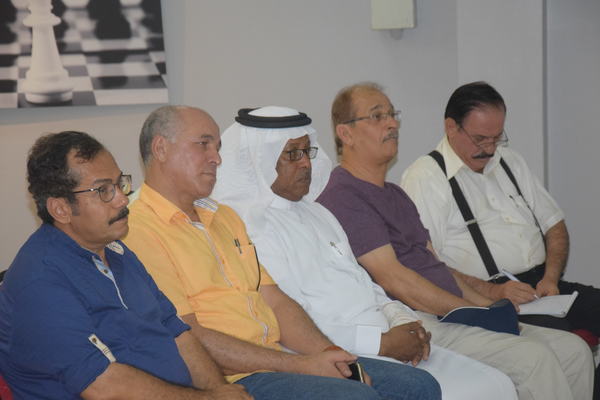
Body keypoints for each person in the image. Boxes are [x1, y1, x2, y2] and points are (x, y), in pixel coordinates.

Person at [123, 105, 441, 400]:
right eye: (203, 145)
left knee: (417, 386)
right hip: (229, 377)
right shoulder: (138, 228)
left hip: (276, 359)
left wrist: (328, 354)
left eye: (217, 147)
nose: (216, 158)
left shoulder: (223, 217)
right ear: (161, 148)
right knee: (356, 396)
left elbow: (274, 300)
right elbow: (186, 335)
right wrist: (300, 365)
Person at [211, 105, 518, 400]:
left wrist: (403, 321)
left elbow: (364, 282)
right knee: (435, 388)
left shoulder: (319, 214)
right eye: (293, 153)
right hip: (331, 351)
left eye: (307, 151)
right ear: (259, 160)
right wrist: (382, 343)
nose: (305, 163)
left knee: (492, 383)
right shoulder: (248, 227)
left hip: (387, 338)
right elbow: (293, 321)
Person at [316, 83, 595, 400]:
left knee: (574, 352)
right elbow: (394, 279)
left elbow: (436, 266)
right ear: (346, 134)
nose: (392, 123)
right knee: (535, 359)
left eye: (392, 114)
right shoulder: (345, 195)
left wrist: (488, 307)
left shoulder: (395, 195)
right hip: (417, 319)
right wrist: (468, 311)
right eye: (377, 116)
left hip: (450, 310)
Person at [0, 131, 251, 399]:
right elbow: (102, 385)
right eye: (103, 191)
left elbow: (178, 334)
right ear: (61, 209)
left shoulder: (116, 250)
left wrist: (219, 390)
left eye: (120, 184)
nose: (122, 199)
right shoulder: (39, 282)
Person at [401, 81, 600, 336]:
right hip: (485, 300)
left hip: (542, 288)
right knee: (561, 338)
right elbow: (426, 263)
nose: (489, 149)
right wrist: (494, 291)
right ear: (451, 127)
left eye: (497, 138)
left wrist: (550, 278)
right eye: (480, 139)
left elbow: (555, 225)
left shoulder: (510, 161)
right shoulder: (425, 177)